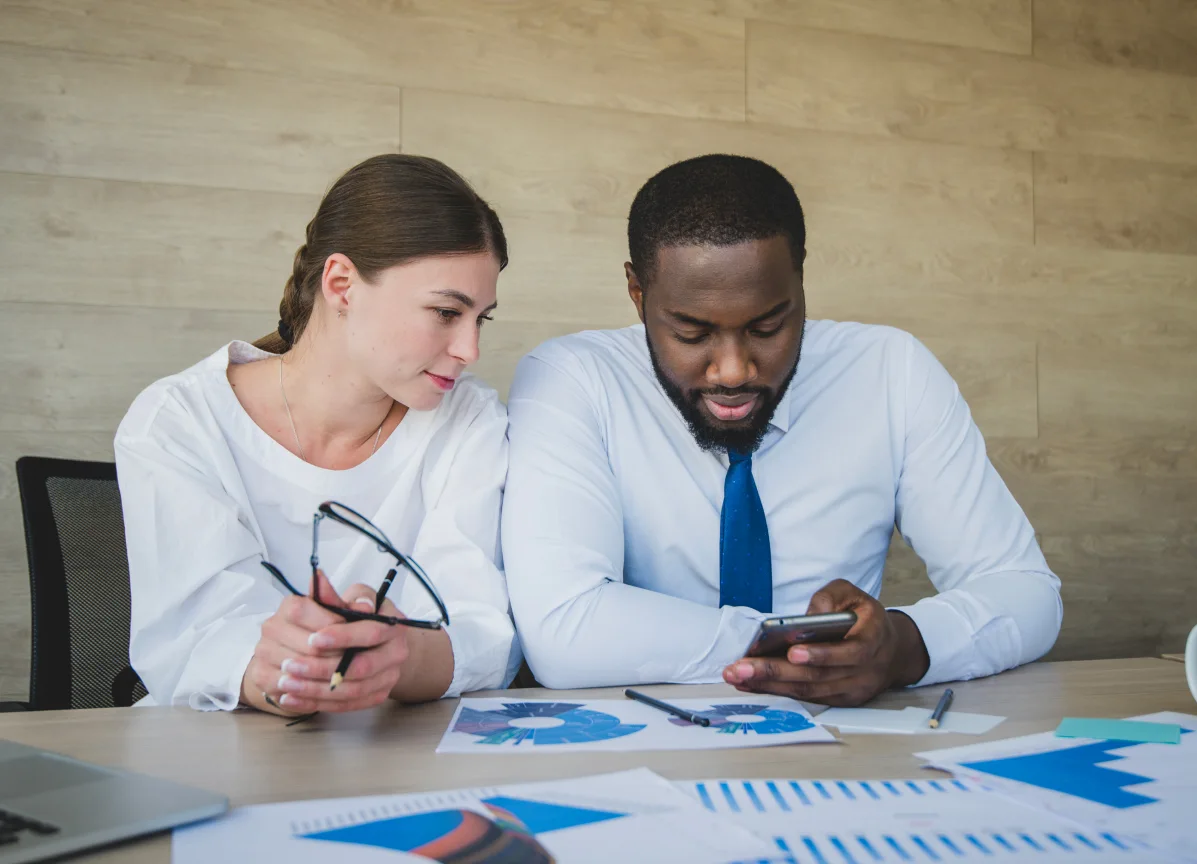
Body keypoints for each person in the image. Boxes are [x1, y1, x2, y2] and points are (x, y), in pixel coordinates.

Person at [502, 154, 1062, 706]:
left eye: (767, 326)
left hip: (841, 755)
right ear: (638, 292)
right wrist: (798, 645)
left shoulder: (891, 372)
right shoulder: (574, 380)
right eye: (692, 333)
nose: (734, 370)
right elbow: (564, 630)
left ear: (799, 278)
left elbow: (1026, 592)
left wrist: (900, 644)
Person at [116, 154, 520, 715]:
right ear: (341, 284)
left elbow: (480, 632)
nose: (469, 350)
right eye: (446, 312)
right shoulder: (180, 419)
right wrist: (298, 671)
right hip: (217, 749)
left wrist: (396, 656)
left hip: (403, 753)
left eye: (482, 319)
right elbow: (194, 642)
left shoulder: (470, 418)